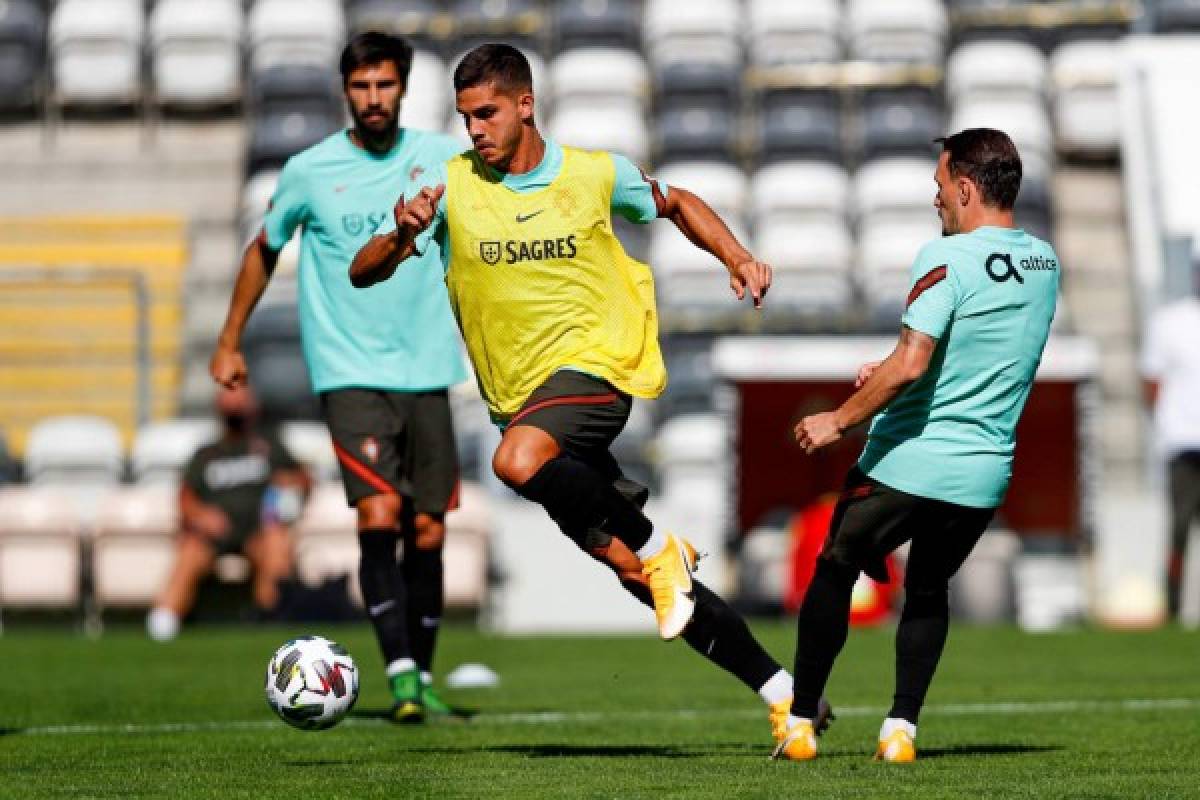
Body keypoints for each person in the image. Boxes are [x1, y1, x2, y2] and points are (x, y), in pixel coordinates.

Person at [350, 43, 828, 746]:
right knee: (641, 578)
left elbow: (675, 202)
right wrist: (400, 234)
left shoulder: (593, 174)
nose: (475, 129)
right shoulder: (446, 189)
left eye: (486, 113)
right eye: (464, 117)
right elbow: (362, 273)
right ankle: (788, 694)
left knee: (514, 462)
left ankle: (662, 545)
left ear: (525, 104)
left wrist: (737, 256)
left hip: (600, 373)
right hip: (528, 407)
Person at [209, 32, 468, 722]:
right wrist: (230, 338)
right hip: (349, 369)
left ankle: (424, 670)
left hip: (429, 367)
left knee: (431, 531)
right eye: (361, 86)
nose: (373, 98)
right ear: (344, 90)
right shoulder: (309, 169)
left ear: (403, 88)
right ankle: (403, 676)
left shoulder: (445, 160)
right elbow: (263, 250)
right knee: (379, 513)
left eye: (385, 85)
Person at [780, 129, 1060, 763]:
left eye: (939, 188)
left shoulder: (946, 259)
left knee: (835, 561)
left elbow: (913, 364)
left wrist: (839, 421)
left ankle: (799, 721)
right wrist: (885, 366)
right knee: (928, 586)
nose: (936, 201)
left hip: (912, 459)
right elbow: (970, 351)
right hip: (985, 475)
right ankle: (901, 730)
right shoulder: (1045, 262)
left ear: (965, 189)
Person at [147, 385, 309, 640]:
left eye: (241, 400)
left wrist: (289, 484)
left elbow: (303, 478)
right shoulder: (207, 453)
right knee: (189, 549)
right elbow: (185, 498)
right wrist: (201, 515)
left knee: (275, 544)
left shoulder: (269, 445)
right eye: (229, 400)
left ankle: (269, 619)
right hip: (214, 533)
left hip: (258, 530)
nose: (235, 406)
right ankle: (163, 621)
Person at [1141, 272, 1200, 623]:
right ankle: (1173, 607)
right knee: (1178, 528)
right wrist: (1167, 424)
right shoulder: (1170, 320)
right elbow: (1152, 380)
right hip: (1182, 442)